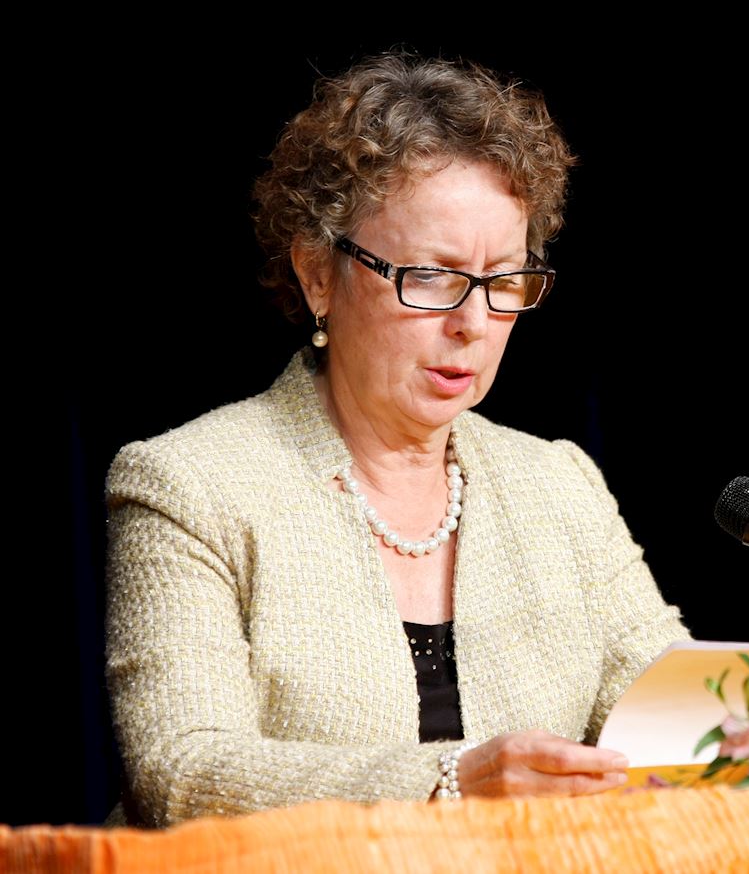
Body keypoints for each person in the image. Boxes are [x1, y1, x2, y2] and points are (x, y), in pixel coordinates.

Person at [103, 51, 690, 828]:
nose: (474, 323)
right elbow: (181, 773)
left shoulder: (559, 485)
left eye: (503, 279)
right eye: (433, 276)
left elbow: (674, 720)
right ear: (318, 274)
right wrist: (450, 785)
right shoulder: (190, 484)